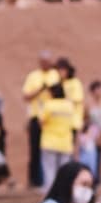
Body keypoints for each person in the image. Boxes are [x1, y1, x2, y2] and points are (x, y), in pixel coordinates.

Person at [22, 51, 59, 188]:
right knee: (35, 150)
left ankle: (53, 182)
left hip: (53, 120)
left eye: (48, 61)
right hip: (36, 117)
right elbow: (26, 96)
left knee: (53, 151)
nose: (45, 64)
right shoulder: (33, 76)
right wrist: (41, 89)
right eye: (43, 61)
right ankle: (35, 181)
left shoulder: (55, 75)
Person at [80, 79, 101, 182]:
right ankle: (96, 180)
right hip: (94, 135)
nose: (99, 92)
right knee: (95, 159)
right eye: (97, 90)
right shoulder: (88, 104)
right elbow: (84, 119)